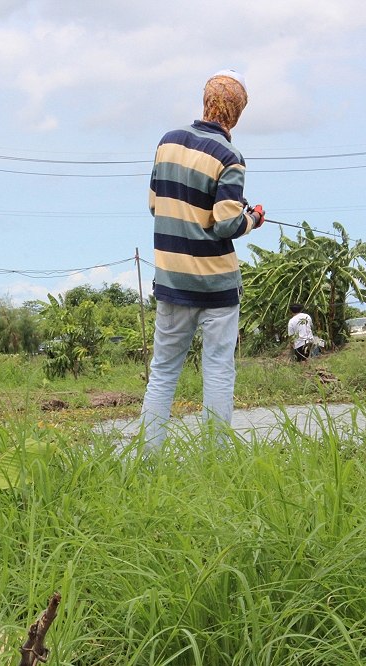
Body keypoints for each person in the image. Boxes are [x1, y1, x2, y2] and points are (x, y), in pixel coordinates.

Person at [139, 68, 266, 451]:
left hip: (173, 281)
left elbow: (154, 205)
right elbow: (226, 223)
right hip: (216, 286)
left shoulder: (167, 142)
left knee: (162, 372)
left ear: (206, 101)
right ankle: (216, 460)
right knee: (217, 371)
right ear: (236, 112)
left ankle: (147, 459)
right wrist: (253, 218)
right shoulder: (231, 157)